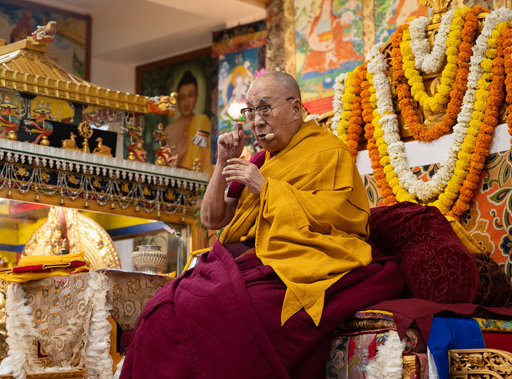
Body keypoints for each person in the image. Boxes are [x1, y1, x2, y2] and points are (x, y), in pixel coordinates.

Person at [120, 71, 404, 378]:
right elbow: (212, 219)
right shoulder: (259, 161)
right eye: (250, 110)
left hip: (299, 261)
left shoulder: (329, 153)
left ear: (296, 109)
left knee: (212, 311)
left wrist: (264, 187)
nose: (256, 120)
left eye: (265, 108)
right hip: (247, 263)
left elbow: (336, 218)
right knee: (161, 309)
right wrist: (222, 162)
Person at [164, 70, 212, 172]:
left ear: (196, 97)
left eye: (190, 95)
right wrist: (178, 156)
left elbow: (204, 160)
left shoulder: (201, 122)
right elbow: (163, 166)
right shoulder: (170, 129)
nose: (186, 102)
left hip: (198, 179)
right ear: (177, 101)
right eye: (182, 97)